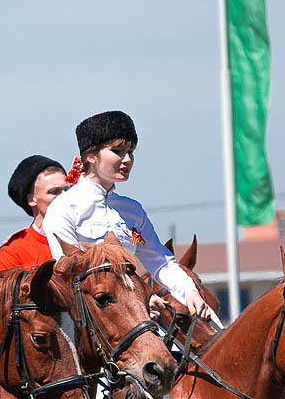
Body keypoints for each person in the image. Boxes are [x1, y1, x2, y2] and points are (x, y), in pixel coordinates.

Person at [42, 110, 215, 321]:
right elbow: (69, 274)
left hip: (134, 318)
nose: (127, 160)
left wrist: (189, 292)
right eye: (117, 151)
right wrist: (136, 297)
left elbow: (160, 261)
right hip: (88, 325)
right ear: (90, 156)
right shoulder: (63, 209)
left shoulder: (132, 211)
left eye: (131, 152)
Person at [0, 155, 68, 271]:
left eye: (68, 190)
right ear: (32, 199)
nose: (66, 197)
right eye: (54, 192)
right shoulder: (14, 252)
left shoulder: (86, 239)